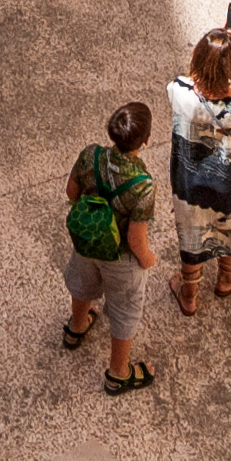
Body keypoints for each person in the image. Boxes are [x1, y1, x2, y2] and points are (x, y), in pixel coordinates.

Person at [61, 99, 162, 394]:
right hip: (121, 260)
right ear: (146, 140)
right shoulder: (143, 185)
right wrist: (147, 259)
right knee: (124, 309)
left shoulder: (89, 155)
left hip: (87, 244)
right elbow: (135, 238)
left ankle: (76, 327)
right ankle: (118, 373)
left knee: (83, 285)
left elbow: (71, 192)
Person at [167, 22, 231, 315]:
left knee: (192, 232)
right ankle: (228, 277)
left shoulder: (178, 91)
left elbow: (193, 79)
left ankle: (189, 293)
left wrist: (216, 53)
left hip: (191, 183)